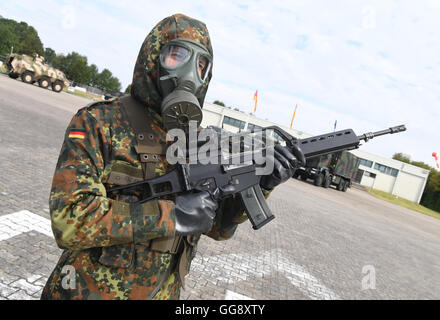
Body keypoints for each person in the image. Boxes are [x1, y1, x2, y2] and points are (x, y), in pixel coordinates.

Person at [41, 13, 299, 300]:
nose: (190, 73)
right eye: (178, 56)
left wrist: (263, 182)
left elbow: (217, 228)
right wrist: (171, 216)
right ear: (153, 57)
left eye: (201, 65)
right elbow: (69, 221)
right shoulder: (100, 122)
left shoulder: (197, 140)